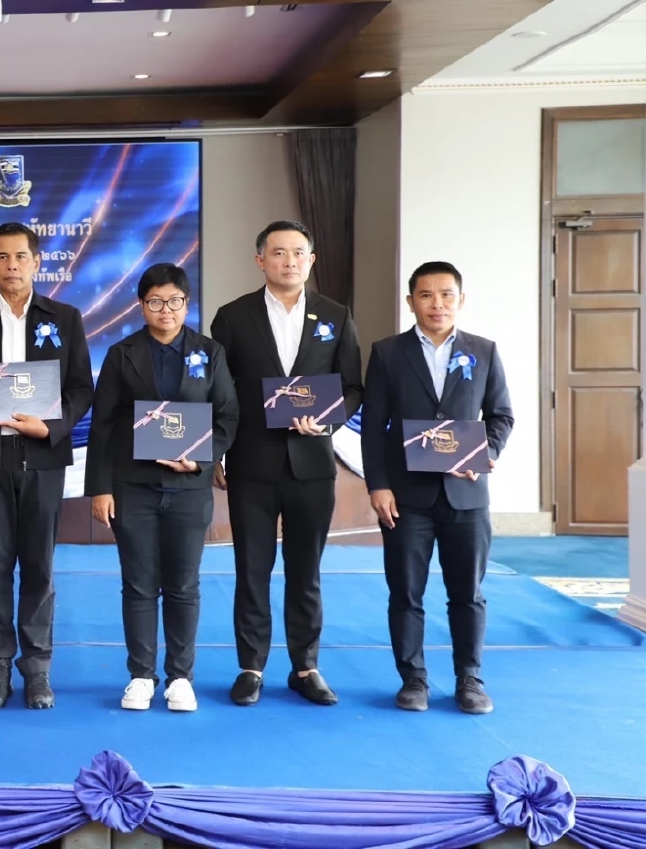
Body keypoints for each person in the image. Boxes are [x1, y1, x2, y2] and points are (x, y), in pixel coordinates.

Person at [209, 219, 362, 707]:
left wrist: (327, 420)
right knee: (251, 570)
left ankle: (305, 666)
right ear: (260, 260)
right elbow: (218, 391)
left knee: (305, 571)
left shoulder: (335, 315)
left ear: (311, 260)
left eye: (298, 253)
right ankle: (251, 666)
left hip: (313, 466)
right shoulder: (232, 317)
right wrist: (216, 449)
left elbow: (353, 386)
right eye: (278, 253)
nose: (288, 261)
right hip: (252, 464)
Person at [0, 222, 94, 709]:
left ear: (37, 262)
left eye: (21, 257)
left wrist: (50, 426)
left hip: (44, 460)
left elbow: (80, 390)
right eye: (2, 257)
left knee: (40, 567)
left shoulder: (65, 317)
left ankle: (37, 669)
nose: (12, 265)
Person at [361, 261, 513, 714]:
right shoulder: (388, 352)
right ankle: (413, 679)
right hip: (407, 498)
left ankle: (470, 679)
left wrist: (486, 455)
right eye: (426, 295)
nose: (437, 304)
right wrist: (379, 485)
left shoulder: (483, 351)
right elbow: (373, 427)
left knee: (467, 593)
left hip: (465, 496)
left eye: (446, 294)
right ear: (411, 302)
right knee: (405, 593)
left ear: (460, 300)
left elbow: (501, 416)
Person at [86, 263, 239, 712]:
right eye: (155, 302)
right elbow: (104, 425)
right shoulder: (122, 353)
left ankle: (180, 677)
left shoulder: (209, 352)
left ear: (187, 304)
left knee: (183, 584)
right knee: (138, 584)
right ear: (141, 305)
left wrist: (203, 458)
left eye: (174, 301)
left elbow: (228, 415)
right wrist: (100, 487)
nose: (165, 310)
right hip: (134, 488)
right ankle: (140, 675)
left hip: (189, 487)